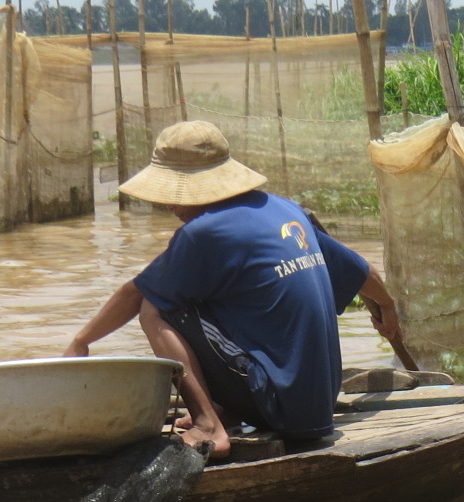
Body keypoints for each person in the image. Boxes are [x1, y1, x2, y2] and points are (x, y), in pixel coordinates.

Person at [62, 120, 406, 461]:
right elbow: (361, 270)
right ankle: (226, 409)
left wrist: (82, 341)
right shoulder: (285, 209)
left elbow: (134, 295)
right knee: (203, 293)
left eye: (173, 195)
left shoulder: (204, 233)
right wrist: (388, 307)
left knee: (157, 306)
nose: (169, 206)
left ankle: (208, 424)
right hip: (319, 405)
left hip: (283, 409)